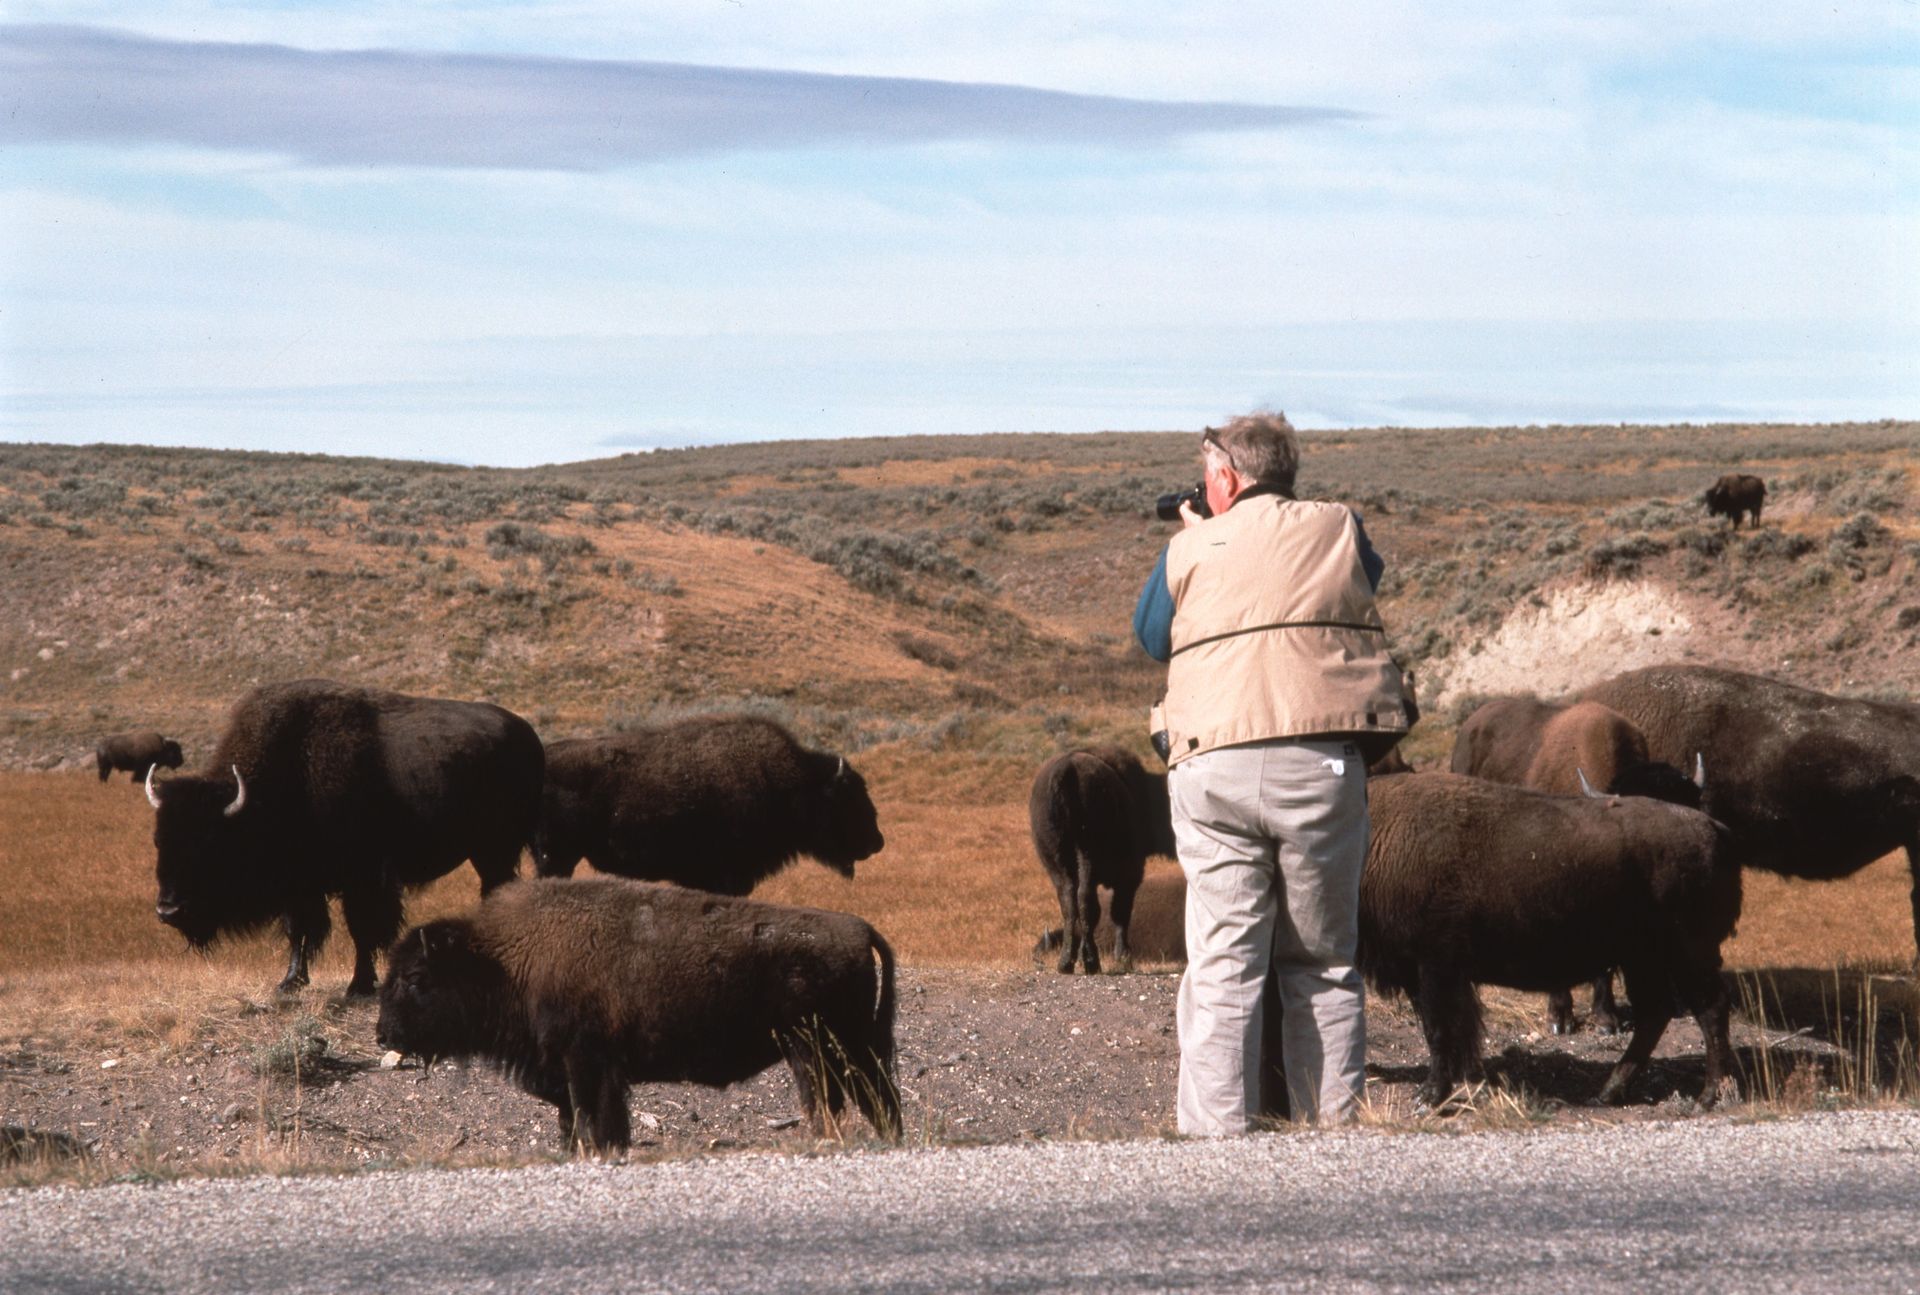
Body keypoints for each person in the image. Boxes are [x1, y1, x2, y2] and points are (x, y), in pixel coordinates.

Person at [1133, 411, 1412, 1133]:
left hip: (1213, 760)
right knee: (1321, 961)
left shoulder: (1191, 545)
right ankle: (1329, 1132)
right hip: (1318, 763)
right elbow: (1365, 579)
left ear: (1223, 477)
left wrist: (1196, 533)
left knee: (1223, 964)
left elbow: (1150, 633)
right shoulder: (1338, 526)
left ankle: (1216, 1142)